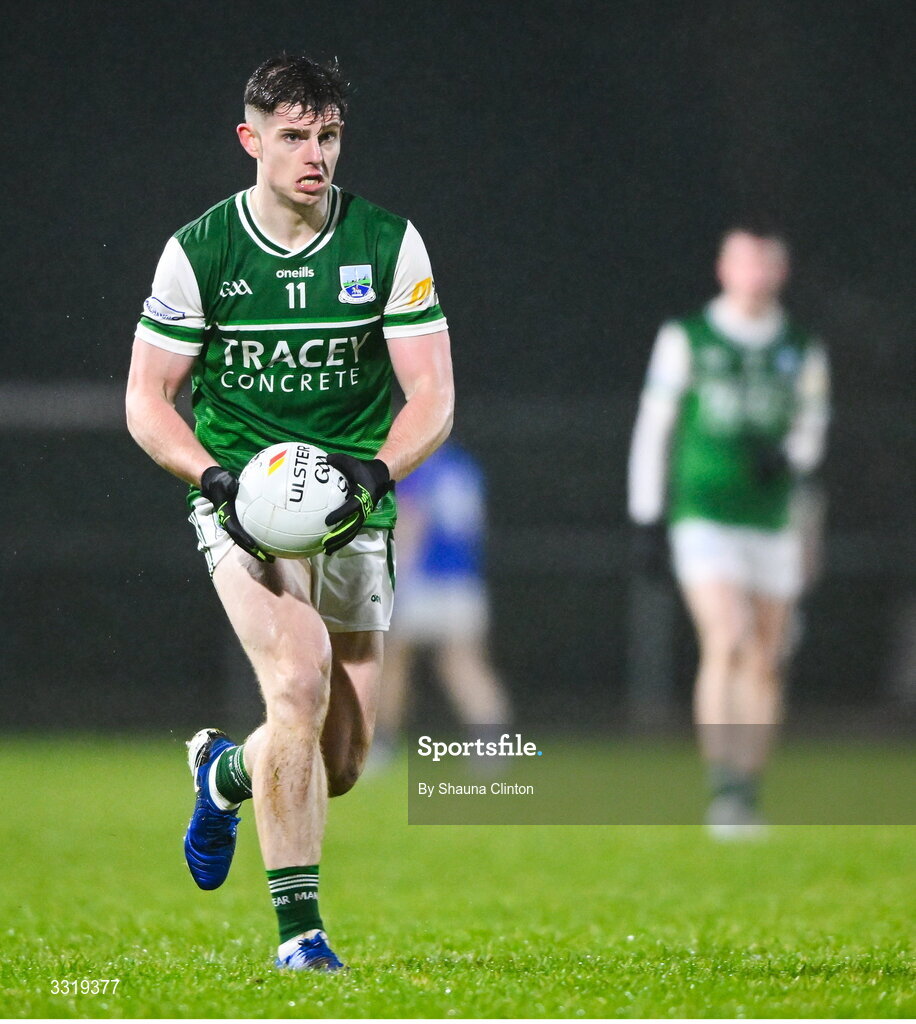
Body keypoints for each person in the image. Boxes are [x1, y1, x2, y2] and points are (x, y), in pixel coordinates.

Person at [125, 55, 453, 969]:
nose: (315, 155)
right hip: (243, 503)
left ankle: (222, 772)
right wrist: (213, 481)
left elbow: (432, 394)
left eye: (329, 136)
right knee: (298, 680)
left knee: (340, 760)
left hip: (353, 505)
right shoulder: (202, 252)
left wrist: (377, 474)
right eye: (294, 136)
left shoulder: (388, 242)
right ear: (251, 140)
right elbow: (147, 398)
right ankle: (300, 937)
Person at [627, 226, 830, 838]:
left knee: (766, 658)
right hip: (703, 513)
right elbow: (654, 427)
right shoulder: (688, 336)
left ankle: (748, 787)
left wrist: (792, 458)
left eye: (767, 264)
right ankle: (723, 787)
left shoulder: (800, 346)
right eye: (745, 263)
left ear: (781, 272)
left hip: (771, 520)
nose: (756, 275)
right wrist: (646, 514)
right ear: (724, 268)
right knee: (729, 637)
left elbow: (813, 427)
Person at [373, 440, 511, 759]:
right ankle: (491, 742)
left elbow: (412, 521)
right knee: (463, 664)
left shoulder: (416, 466)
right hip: (463, 579)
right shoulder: (465, 466)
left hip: (423, 579)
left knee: (393, 662)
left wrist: (396, 579)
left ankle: (382, 745)